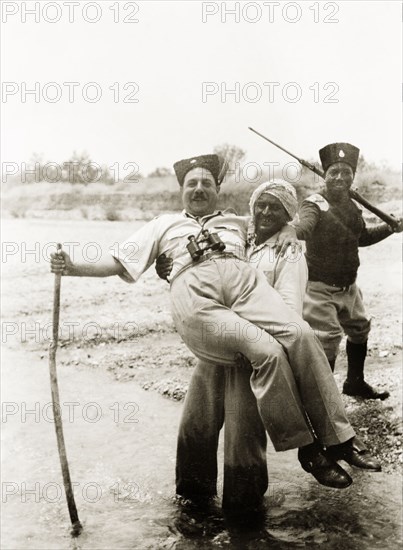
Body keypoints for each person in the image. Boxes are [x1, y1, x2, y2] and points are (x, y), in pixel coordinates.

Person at [50, 153, 380, 496]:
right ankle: (297, 452)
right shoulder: (164, 224)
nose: (199, 188)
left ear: (217, 188)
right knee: (257, 361)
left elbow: (275, 217)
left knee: (300, 333)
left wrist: (287, 229)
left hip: (243, 291)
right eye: (192, 183)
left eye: (206, 183)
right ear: (181, 190)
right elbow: (118, 261)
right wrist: (72, 266)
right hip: (202, 299)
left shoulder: (238, 223)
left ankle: (337, 440)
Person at [156, 179, 310, 512]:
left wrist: (292, 232)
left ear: (288, 215)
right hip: (218, 345)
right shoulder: (241, 237)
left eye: (277, 208)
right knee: (195, 426)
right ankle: (192, 507)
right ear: (251, 208)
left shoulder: (290, 251)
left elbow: (289, 310)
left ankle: (245, 517)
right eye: (261, 205)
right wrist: (165, 266)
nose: (266, 212)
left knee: (243, 442)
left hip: (251, 356)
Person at [281, 143, 403, 400]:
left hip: (349, 286)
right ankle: (322, 399)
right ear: (324, 175)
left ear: (353, 176)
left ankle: (354, 383)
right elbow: (305, 224)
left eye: (345, 172)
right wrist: (292, 231)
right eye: (333, 172)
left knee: (359, 330)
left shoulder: (353, 205)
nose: (339, 177)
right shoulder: (314, 203)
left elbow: (362, 237)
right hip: (318, 288)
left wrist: (389, 228)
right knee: (327, 339)